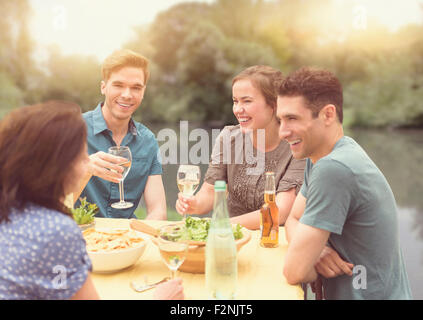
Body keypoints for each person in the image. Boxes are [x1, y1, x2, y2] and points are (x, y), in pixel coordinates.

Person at [0, 101, 183, 300]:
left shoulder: (11, 213)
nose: (86, 166)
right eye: (81, 157)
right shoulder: (57, 230)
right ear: (56, 166)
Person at [278, 67, 412, 299]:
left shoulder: (335, 169)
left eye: (292, 118)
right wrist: (316, 250)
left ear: (328, 115)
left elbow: (294, 271)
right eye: (280, 119)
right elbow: (293, 218)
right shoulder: (322, 157)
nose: (282, 131)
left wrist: (307, 253)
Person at [176, 66, 305, 229]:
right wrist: (195, 203)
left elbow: (279, 212)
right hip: (233, 240)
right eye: (235, 101)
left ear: (273, 105)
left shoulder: (297, 146)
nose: (237, 109)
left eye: (247, 101)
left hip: (274, 242)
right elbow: (210, 192)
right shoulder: (228, 137)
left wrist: (220, 224)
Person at [75, 49, 166, 220]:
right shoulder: (71, 131)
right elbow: (52, 206)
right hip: (81, 238)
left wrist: (138, 237)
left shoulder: (148, 141)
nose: (127, 95)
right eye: (118, 85)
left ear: (143, 91)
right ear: (103, 87)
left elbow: (158, 210)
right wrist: (84, 170)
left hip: (128, 239)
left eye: (136, 87)